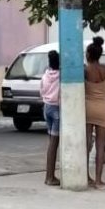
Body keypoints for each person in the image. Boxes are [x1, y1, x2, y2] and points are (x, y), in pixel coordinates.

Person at [84, 36, 105, 189]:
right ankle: (98, 180)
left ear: (89, 54)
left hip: (88, 108)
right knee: (100, 146)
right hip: (103, 108)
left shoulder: (84, 69)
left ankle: (86, 177)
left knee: (87, 144)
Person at [41, 50, 62, 186]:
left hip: (46, 108)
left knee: (51, 143)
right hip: (56, 110)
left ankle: (49, 175)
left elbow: (41, 91)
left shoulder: (45, 75)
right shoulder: (61, 76)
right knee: (54, 145)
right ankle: (50, 177)